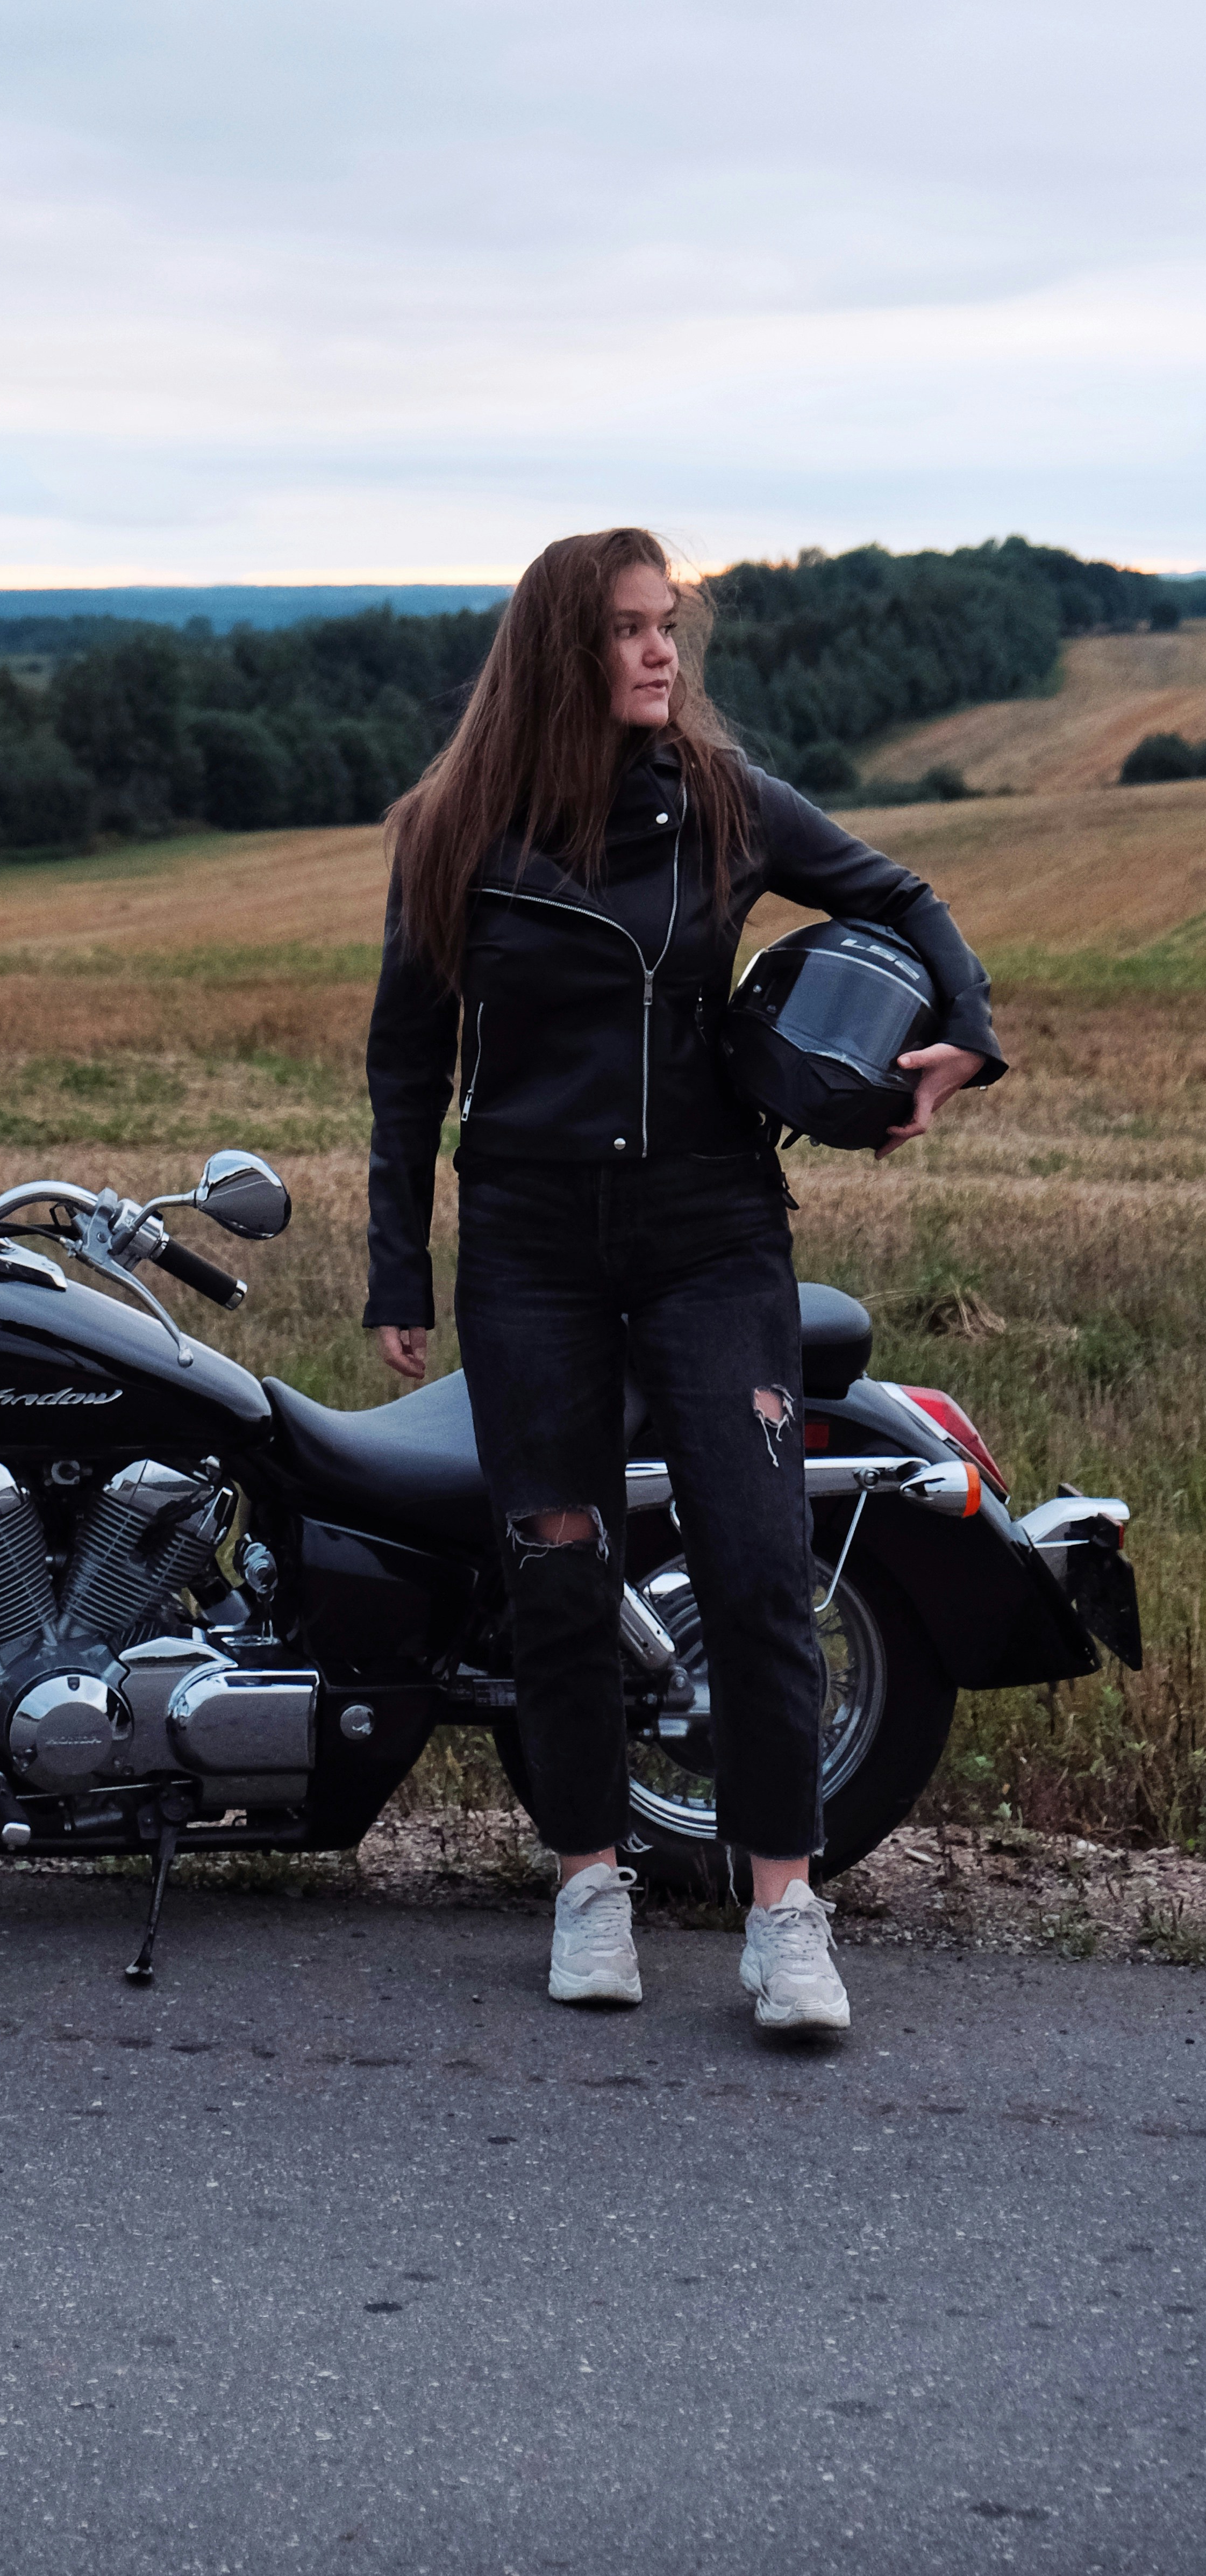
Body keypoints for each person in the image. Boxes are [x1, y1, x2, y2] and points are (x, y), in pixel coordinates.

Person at [363, 528, 1004, 2032]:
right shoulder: (451, 828)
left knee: (754, 1555)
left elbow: (903, 897)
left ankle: (783, 1906)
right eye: (631, 631)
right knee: (556, 1557)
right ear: (558, 653)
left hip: (712, 1227)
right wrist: (399, 1263)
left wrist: (959, 1034)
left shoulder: (720, 800)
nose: (661, 655)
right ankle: (590, 1879)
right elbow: (406, 1065)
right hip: (526, 1240)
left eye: (669, 628)